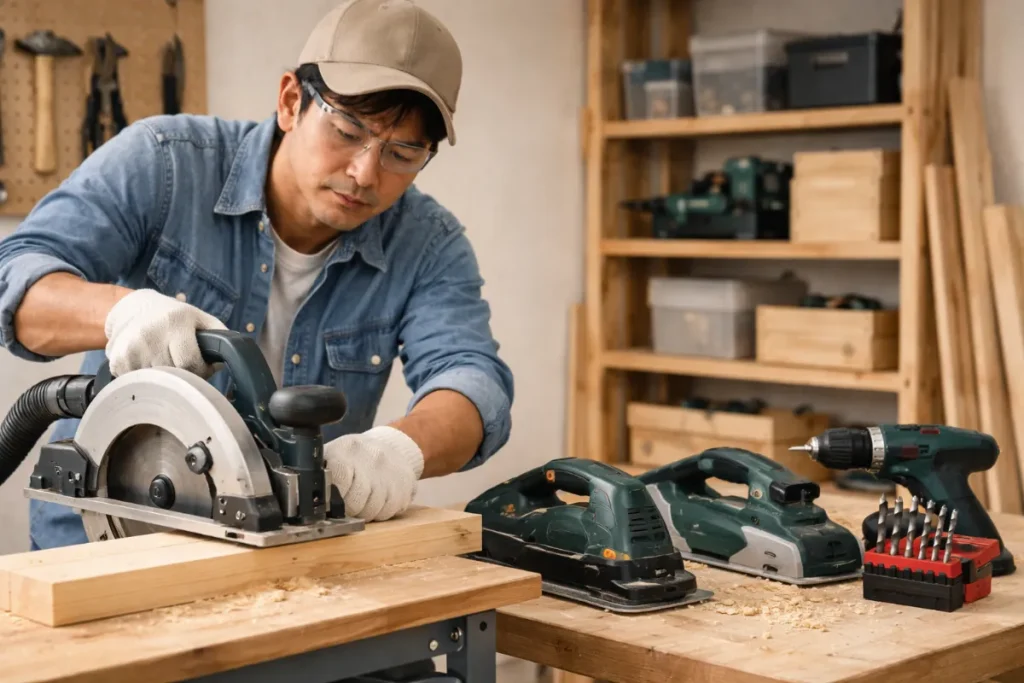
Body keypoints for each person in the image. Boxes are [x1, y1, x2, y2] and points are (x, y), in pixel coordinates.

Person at [0, 0, 514, 560]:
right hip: (105, 534)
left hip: (283, 553)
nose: (365, 173)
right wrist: (119, 312)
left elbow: (473, 381)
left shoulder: (428, 242)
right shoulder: (166, 164)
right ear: (291, 102)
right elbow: (16, 276)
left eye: (402, 152)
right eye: (347, 130)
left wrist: (400, 448)